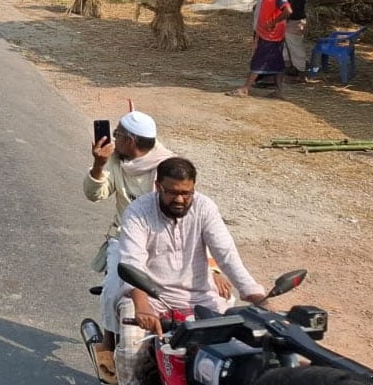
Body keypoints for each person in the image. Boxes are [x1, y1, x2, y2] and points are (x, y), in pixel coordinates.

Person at [115, 157, 268, 385]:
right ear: (158, 187)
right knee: (131, 350)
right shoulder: (137, 212)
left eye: (186, 193)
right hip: (151, 299)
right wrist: (142, 305)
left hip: (200, 296)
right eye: (172, 192)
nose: (179, 199)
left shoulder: (205, 207)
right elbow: (132, 262)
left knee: (238, 351)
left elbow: (226, 254)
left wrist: (257, 295)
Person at [83, 111, 177, 382]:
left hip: (162, 241)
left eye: (118, 135)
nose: (113, 139)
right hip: (123, 237)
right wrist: (97, 165)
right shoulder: (115, 160)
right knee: (114, 290)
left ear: (131, 140)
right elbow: (95, 195)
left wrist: (213, 269)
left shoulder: (168, 166)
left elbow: (190, 219)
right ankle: (108, 344)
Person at [231, 0, 292, 98]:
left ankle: (245, 88)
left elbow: (288, 10)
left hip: (271, 35)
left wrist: (273, 22)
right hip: (268, 34)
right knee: (277, 64)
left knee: (259, 61)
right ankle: (279, 91)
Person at [282, 0, 309, 79]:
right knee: (289, 44)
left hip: (294, 19)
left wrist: (286, 16)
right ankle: (294, 67)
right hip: (291, 18)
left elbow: (295, 3)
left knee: (295, 45)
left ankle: (301, 72)